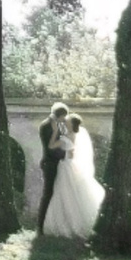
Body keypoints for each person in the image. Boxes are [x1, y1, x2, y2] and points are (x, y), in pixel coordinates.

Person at [42, 113, 106, 241]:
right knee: (70, 193)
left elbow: (52, 146)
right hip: (70, 165)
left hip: (67, 166)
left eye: (67, 122)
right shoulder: (75, 135)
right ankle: (74, 222)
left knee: (65, 193)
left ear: (71, 124)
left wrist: (55, 132)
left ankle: (68, 224)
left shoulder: (68, 136)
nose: (65, 123)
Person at [35, 102, 70, 230]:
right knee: (48, 193)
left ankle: (48, 224)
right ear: (60, 115)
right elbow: (51, 148)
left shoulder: (52, 124)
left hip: (53, 162)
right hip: (50, 163)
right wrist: (65, 154)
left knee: (52, 193)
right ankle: (41, 225)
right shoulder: (48, 126)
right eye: (64, 117)